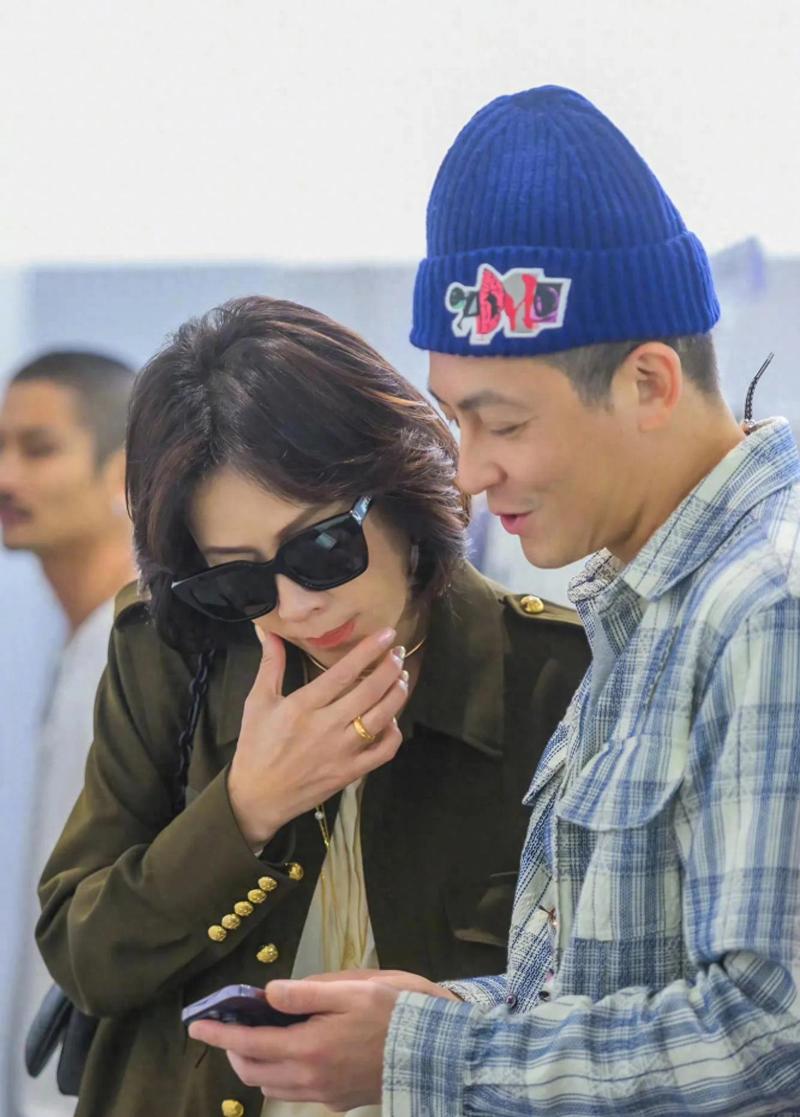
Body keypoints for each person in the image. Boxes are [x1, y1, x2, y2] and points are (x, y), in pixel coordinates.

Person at [190, 87, 800, 1114]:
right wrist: (440, 1013)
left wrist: (427, 1051)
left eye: (504, 423)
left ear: (650, 383)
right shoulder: (650, 607)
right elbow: (619, 994)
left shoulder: (767, 603)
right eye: (455, 421)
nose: (469, 472)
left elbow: (769, 1037)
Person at [35, 296, 589, 1117]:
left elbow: (614, 1009)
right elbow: (84, 955)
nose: (295, 605)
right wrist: (244, 810)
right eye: (240, 578)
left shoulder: (558, 675)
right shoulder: (172, 649)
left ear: (402, 489)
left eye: (323, 547)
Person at [0, 350, 136, 1117]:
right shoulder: (87, 642)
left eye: (39, 448)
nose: (7, 476)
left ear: (123, 472)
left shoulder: (135, 654)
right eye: (0, 447)